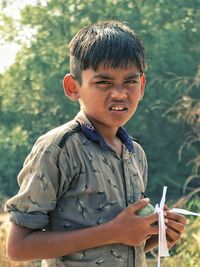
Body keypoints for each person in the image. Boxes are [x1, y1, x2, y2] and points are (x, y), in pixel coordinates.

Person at [5, 20, 186, 267]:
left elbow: (121, 244)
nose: (120, 94)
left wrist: (157, 234)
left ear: (142, 86)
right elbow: (19, 247)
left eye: (130, 81)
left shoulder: (135, 152)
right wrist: (115, 231)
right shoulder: (58, 148)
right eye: (104, 82)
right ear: (73, 87)